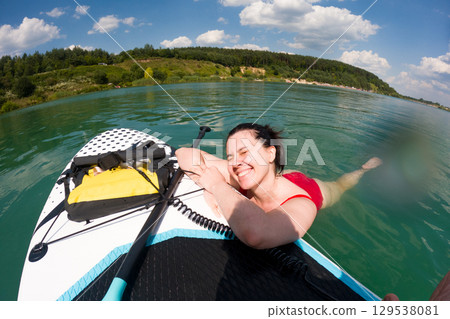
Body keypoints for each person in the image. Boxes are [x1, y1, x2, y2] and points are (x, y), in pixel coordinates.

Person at [176, 123, 382, 249]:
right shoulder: (239, 174)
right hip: (276, 176)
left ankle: (363, 169)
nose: (235, 162)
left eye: (245, 152)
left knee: (341, 185)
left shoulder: (304, 205)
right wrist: (209, 182)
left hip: (310, 189)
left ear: (270, 153)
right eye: (230, 156)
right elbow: (184, 153)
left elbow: (255, 234)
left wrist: (216, 186)